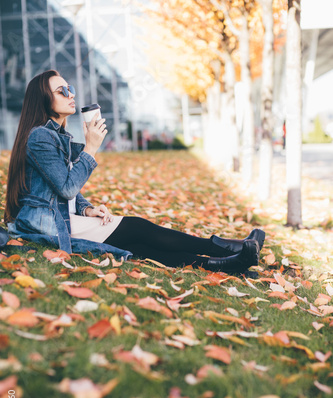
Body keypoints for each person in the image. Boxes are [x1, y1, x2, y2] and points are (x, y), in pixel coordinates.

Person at [4, 70, 265, 274]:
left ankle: (225, 264)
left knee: (138, 247)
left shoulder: (56, 135)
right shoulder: (40, 136)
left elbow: (60, 187)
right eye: (62, 91)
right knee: (137, 229)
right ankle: (231, 247)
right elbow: (65, 188)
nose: (71, 94)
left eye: (69, 88)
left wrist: (86, 209)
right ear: (44, 99)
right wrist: (91, 148)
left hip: (62, 216)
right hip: (46, 223)